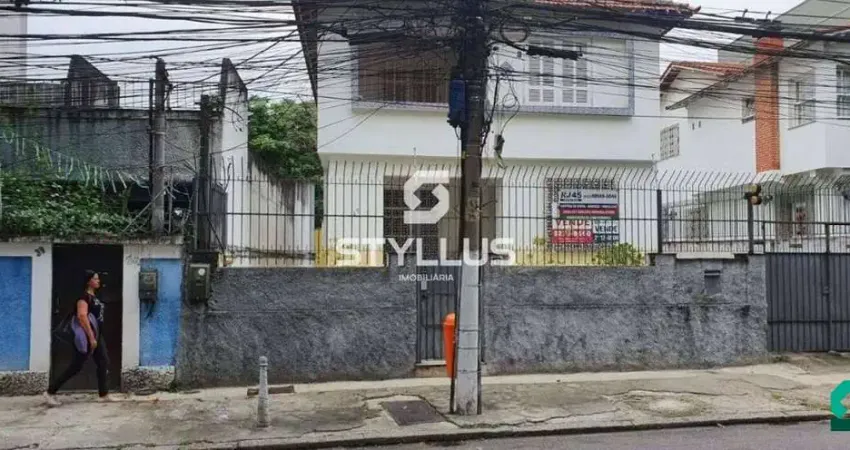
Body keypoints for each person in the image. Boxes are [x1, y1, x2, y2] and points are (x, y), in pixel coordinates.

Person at [43, 270, 115, 406]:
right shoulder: (83, 297)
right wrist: (91, 337)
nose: (98, 281)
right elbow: (82, 316)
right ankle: (50, 392)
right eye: (95, 279)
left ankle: (103, 394)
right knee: (76, 366)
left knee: (103, 361)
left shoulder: (94, 297)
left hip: (97, 335)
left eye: (98, 279)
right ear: (89, 281)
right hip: (87, 336)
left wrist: (96, 336)